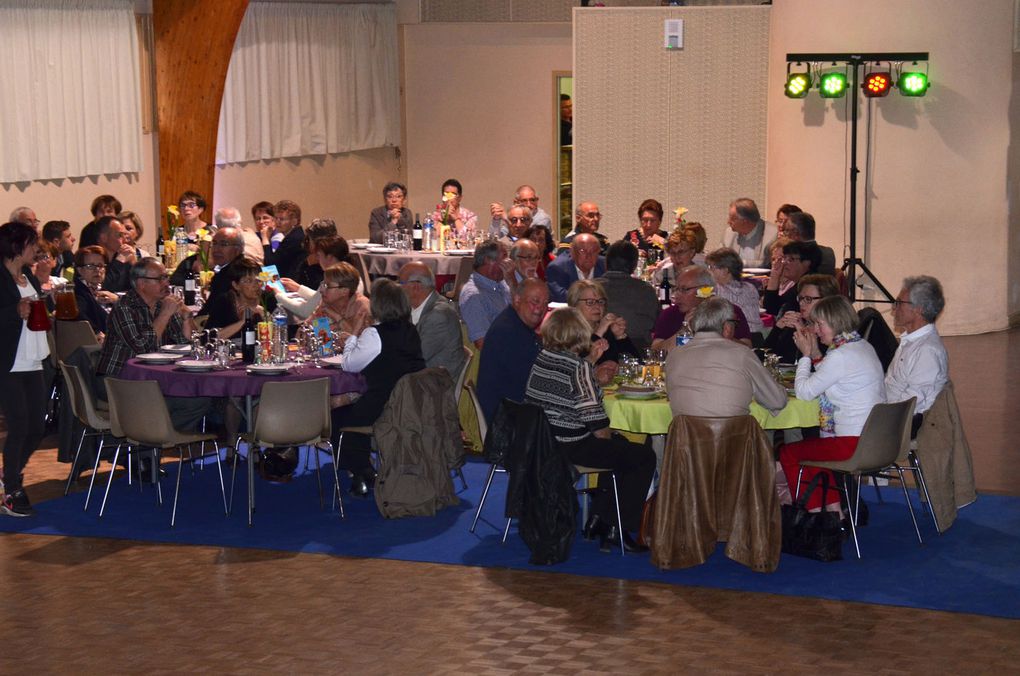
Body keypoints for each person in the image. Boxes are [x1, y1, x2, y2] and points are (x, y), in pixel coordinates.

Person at [525, 307, 655, 553]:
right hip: (569, 445)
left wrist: (590, 364)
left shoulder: (543, 358)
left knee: (620, 449)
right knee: (642, 456)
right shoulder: (577, 367)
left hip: (542, 441)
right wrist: (610, 439)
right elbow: (595, 421)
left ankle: (598, 517)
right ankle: (617, 526)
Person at [779, 296, 886, 511]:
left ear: (836, 322)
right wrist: (815, 355)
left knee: (788, 453)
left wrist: (805, 356)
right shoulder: (861, 345)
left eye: (820, 324)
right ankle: (833, 515)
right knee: (815, 450)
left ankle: (813, 515)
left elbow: (804, 392)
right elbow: (830, 375)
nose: (816, 331)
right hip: (877, 439)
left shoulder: (840, 355)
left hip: (854, 444)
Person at [332, 278, 426, 496]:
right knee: (353, 406)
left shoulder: (375, 334)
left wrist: (355, 332)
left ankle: (360, 472)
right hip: (408, 402)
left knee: (338, 415)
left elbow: (348, 364)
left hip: (384, 405)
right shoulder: (410, 330)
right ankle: (362, 470)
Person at [95, 258, 209, 432]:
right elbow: (142, 348)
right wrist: (164, 315)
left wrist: (187, 317)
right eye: (160, 279)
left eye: (166, 277)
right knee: (191, 403)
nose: (166, 283)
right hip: (119, 381)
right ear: (141, 284)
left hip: (155, 379)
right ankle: (148, 437)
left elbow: (187, 345)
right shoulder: (124, 308)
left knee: (202, 399)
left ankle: (149, 436)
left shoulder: (161, 305)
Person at [665, 297, 787, 418]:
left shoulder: (674, 356)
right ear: (727, 327)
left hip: (684, 435)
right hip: (733, 436)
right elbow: (777, 401)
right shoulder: (742, 354)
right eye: (735, 324)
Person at [0, 221, 50, 516]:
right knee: (19, 425)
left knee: (37, 426)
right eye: (33, 243)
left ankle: (11, 474)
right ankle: (13, 486)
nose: (37, 249)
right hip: (7, 362)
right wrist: (13, 312)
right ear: (17, 246)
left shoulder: (27, 274)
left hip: (32, 358)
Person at [476, 278, 548, 424]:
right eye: (535, 301)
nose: (540, 309)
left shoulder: (513, 321)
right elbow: (536, 381)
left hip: (510, 409)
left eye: (545, 303)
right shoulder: (510, 333)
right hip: (508, 422)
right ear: (517, 300)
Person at [885, 275, 948, 434]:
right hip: (889, 410)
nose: (894, 308)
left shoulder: (927, 351)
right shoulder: (912, 341)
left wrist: (876, 413)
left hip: (903, 423)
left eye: (899, 303)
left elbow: (912, 403)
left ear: (918, 309)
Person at [650, 265, 753, 352]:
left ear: (705, 289)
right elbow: (655, 352)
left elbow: (748, 350)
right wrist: (685, 331)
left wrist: (721, 336)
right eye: (676, 289)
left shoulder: (729, 311)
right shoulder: (670, 314)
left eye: (684, 290)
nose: (676, 295)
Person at [398, 261, 465, 376]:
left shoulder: (438, 316)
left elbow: (414, 359)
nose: (397, 287)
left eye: (400, 283)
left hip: (433, 387)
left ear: (416, 286)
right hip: (420, 377)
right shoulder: (413, 307)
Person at [567, 279, 638, 385]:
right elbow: (576, 368)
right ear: (574, 305)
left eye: (600, 302)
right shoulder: (567, 331)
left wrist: (620, 337)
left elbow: (636, 364)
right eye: (590, 302)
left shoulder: (607, 330)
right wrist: (599, 332)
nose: (597, 306)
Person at [597, 240, 660, 352]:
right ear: (634, 265)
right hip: (637, 351)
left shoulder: (591, 288)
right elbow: (658, 322)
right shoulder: (646, 290)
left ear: (606, 262)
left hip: (598, 349)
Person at [761, 273, 840, 363]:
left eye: (808, 299)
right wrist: (777, 329)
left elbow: (824, 368)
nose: (801, 303)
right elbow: (762, 357)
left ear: (827, 300)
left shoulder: (833, 331)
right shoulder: (793, 325)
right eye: (801, 298)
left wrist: (804, 334)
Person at [169, 226, 246, 310]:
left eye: (223, 244)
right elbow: (173, 283)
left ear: (238, 250)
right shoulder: (191, 261)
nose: (216, 249)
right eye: (214, 244)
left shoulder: (241, 271)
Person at [203, 257, 274, 339]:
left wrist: (265, 315)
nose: (255, 285)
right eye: (248, 281)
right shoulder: (225, 301)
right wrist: (243, 322)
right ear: (236, 285)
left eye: (258, 280)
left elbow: (282, 335)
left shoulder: (268, 298)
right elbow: (208, 338)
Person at [458, 240, 511, 349]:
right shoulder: (474, 296)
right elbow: (482, 344)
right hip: (502, 354)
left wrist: (513, 280)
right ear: (489, 261)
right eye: (505, 258)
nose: (510, 262)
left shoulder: (501, 283)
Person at [705, 247, 765, 337]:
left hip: (738, 337)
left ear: (725, 270)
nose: (708, 270)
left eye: (711, 267)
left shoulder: (718, 290)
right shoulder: (750, 287)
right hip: (758, 334)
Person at [309, 262, 371, 337]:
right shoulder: (327, 303)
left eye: (327, 286)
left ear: (344, 291)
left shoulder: (362, 305)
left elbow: (359, 341)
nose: (321, 290)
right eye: (322, 284)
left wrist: (337, 317)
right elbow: (323, 343)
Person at [762, 240, 821, 316]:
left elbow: (774, 311)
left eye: (791, 259)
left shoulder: (810, 285)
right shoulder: (798, 284)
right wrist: (775, 276)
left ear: (806, 263)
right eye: (785, 258)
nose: (784, 262)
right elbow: (771, 309)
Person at [546, 233, 605, 303]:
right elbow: (560, 296)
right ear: (572, 252)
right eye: (583, 251)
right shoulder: (557, 267)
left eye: (594, 251)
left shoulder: (604, 265)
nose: (588, 256)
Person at [721, 197, 777, 269]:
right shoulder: (729, 233)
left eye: (732, 219)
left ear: (745, 221)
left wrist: (740, 263)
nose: (728, 222)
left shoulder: (772, 234)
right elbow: (720, 258)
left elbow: (767, 263)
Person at [72, 245, 116, 337]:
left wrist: (117, 300)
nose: (97, 270)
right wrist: (96, 333)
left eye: (100, 266)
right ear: (79, 270)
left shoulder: (103, 289)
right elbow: (77, 314)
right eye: (90, 266)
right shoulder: (78, 292)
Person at [261, 199, 305, 279]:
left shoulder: (294, 239)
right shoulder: (293, 236)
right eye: (276, 218)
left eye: (282, 219)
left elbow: (271, 266)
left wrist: (265, 238)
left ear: (294, 221)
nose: (277, 222)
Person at [783, 211, 837, 276]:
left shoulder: (796, 256)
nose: (785, 235)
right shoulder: (828, 252)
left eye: (787, 231)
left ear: (795, 233)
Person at [94, 215, 133, 293]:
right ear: (104, 237)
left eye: (124, 235)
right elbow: (101, 287)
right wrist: (119, 261)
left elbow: (138, 290)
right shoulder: (91, 260)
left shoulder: (124, 259)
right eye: (120, 235)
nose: (125, 239)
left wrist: (134, 264)